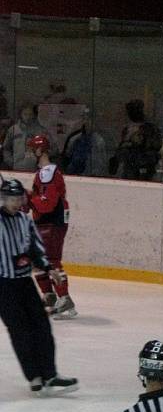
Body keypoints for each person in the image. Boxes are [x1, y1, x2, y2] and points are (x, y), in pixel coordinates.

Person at [0, 177, 78, 395]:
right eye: (10, 198)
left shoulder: (25, 221)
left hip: (25, 283)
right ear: (3, 199)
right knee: (19, 331)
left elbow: (35, 249)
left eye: (18, 198)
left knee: (42, 327)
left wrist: (48, 267)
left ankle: (50, 375)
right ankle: (34, 376)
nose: (15, 202)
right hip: (4, 286)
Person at [26, 135, 77, 319]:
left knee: (52, 260)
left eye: (33, 149)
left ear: (40, 150)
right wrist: (28, 198)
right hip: (47, 221)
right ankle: (50, 296)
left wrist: (29, 199)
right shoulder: (44, 172)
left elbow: (47, 203)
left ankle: (64, 298)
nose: (31, 152)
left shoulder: (47, 172)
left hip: (52, 222)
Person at [110, 99, 161, 181]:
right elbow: (121, 152)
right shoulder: (126, 129)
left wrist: (140, 146)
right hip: (128, 172)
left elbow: (155, 151)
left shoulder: (150, 128)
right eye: (130, 111)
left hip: (144, 173)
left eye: (134, 110)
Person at [61, 108, 107, 177]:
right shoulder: (74, 139)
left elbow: (101, 164)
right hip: (75, 176)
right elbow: (66, 159)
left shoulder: (99, 141)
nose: (87, 121)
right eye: (85, 118)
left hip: (93, 178)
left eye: (90, 118)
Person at [2, 103, 48, 171]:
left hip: (36, 169)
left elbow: (52, 149)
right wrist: (11, 162)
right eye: (25, 114)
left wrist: (41, 159)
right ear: (21, 115)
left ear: (34, 115)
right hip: (16, 168)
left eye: (30, 114)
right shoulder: (13, 130)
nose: (28, 117)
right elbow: (6, 148)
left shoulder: (41, 130)